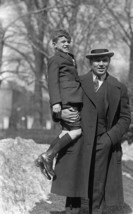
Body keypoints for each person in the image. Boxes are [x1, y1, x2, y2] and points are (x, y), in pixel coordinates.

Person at [51, 48, 131, 214]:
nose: (101, 64)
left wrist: (109, 139)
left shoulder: (118, 87)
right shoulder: (78, 82)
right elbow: (63, 104)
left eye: (105, 60)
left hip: (104, 142)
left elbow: (125, 118)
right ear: (90, 62)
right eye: (97, 60)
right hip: (79, 141)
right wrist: (60, 113)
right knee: (75, 185)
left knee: (98, 185)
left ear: (109, 62)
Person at [35, 29, 82, 179]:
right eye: (63, 42)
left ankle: (42, 159)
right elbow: (52, 82)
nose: (66, 44)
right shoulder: (55, 59)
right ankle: (49, 156)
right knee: (77, 131)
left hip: (73, 99)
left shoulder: (70, 58)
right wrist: (55, 103)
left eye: (68, 41)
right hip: (67, 100)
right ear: (55, 45)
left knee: (65, 132)